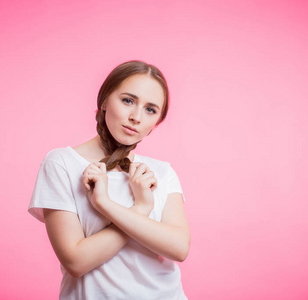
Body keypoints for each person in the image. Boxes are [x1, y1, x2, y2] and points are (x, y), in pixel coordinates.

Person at [28, 60, 190, 299]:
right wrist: (140, 209)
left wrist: (107, 204)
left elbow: (179, 248)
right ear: (104, 101)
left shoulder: (160, 173)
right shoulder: (62, 163)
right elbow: (76, 261)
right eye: (128, 100)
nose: (136, 117)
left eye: (150, 109)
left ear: (155, 124)